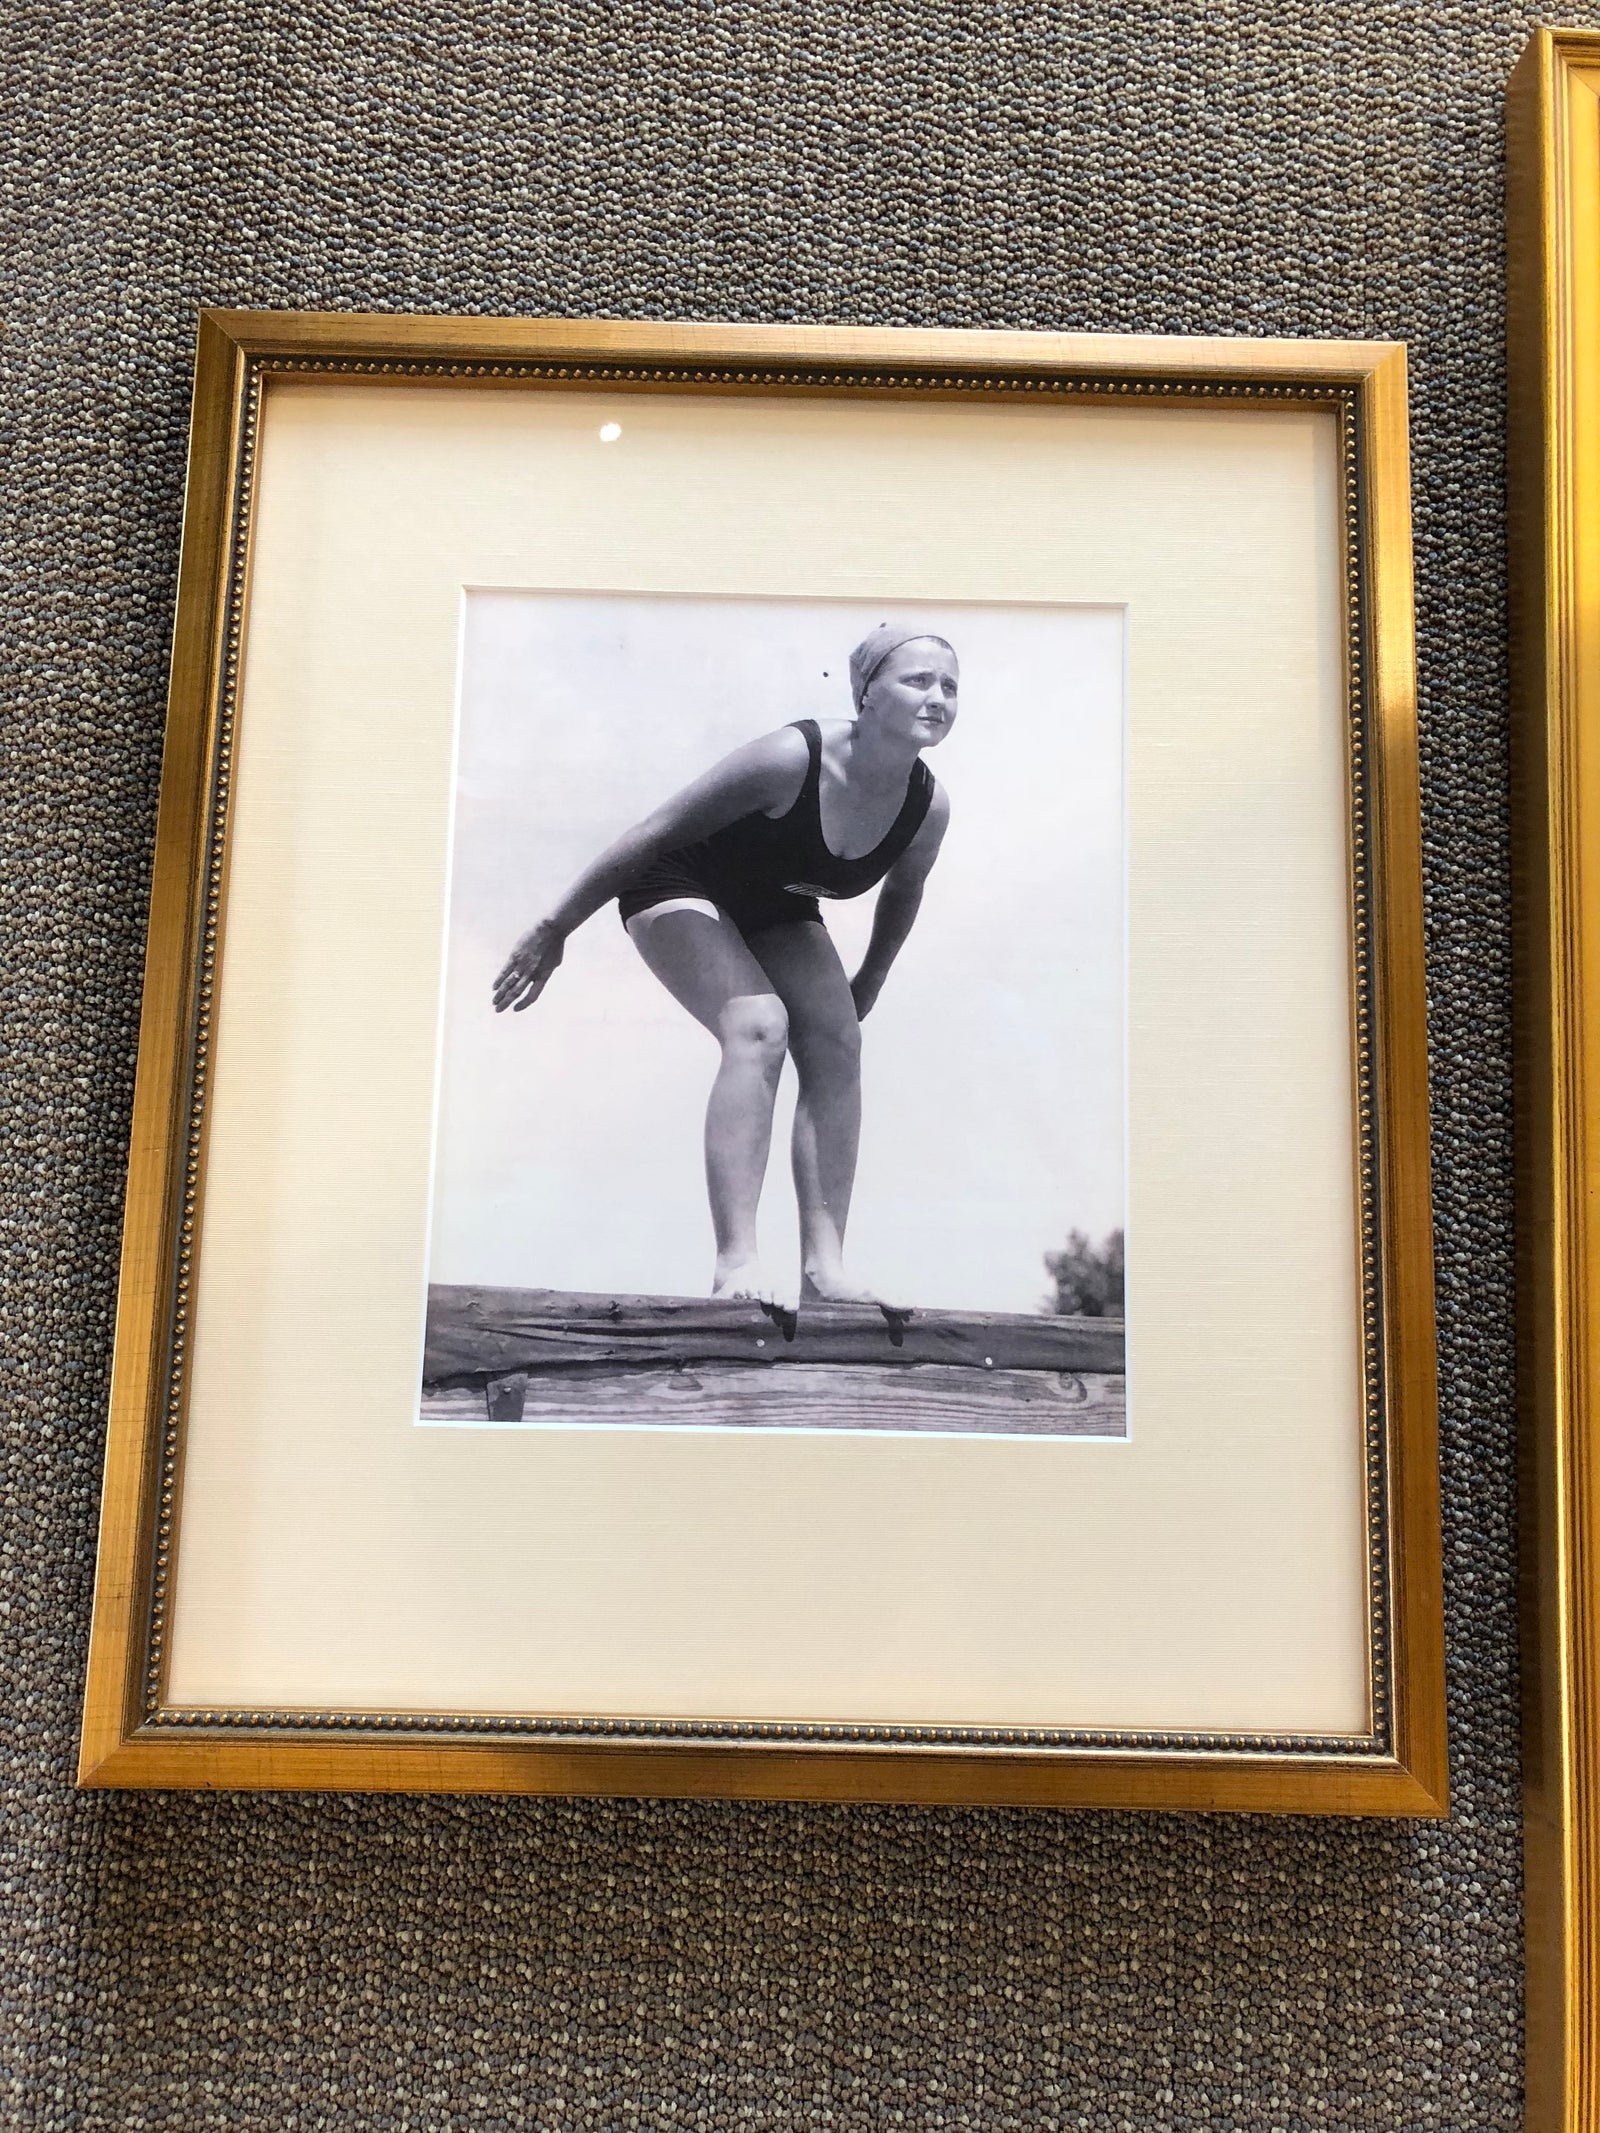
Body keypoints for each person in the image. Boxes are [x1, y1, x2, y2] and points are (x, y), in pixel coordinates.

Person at [492, 623, 956, 1309]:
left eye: (950, 686)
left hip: (771, 900)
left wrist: (872, 979)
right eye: (918, 680)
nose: (938, 697)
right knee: (760, 1025)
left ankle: (825, 1267)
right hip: (675, 876)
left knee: (837, 1041)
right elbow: (655, 831)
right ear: (865, 693)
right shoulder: (790, 759)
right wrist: (556, 927)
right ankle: (737, 1262)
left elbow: (906, 889)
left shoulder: (927, 807)